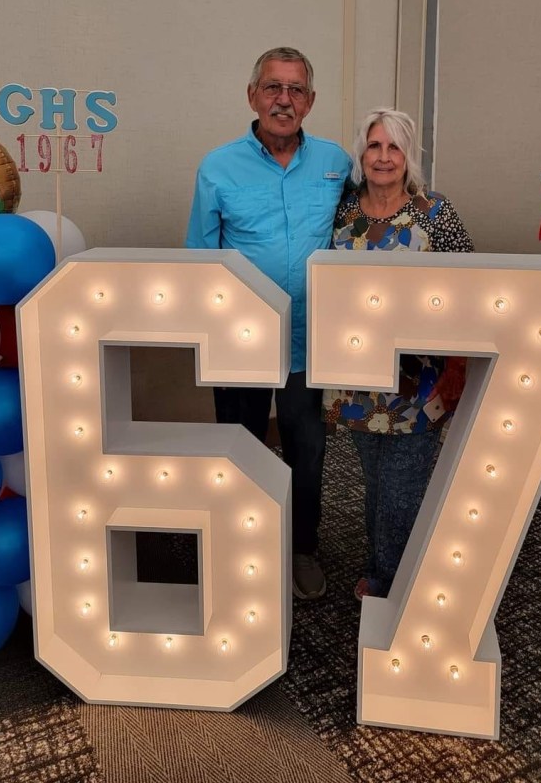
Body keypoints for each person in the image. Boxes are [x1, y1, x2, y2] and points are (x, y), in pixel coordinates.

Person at [186, 46, 352, 599]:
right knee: (242, 447)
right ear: (252, 95)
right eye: (273, 87)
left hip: (309, 339)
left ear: (311, 101)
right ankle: (242, 548)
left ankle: (301, 546)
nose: (284, 99)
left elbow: (361, 230)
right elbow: (200, 258)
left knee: (307, 450)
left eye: (295, 89)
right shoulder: (217, 167)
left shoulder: (336, 163)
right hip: (241, 340)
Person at [322, 108, 474, 600]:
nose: (383, 157)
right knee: (376, 484)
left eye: (394, 147)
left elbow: (468, 290)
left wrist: (459, 366)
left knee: (402, 492)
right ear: (360, 154)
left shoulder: (436, 212)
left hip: (420, 381)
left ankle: (396, 587)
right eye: (374, 146)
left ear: (409, 156)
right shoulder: (341, 211)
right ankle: (380, 569)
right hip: (356, 379)